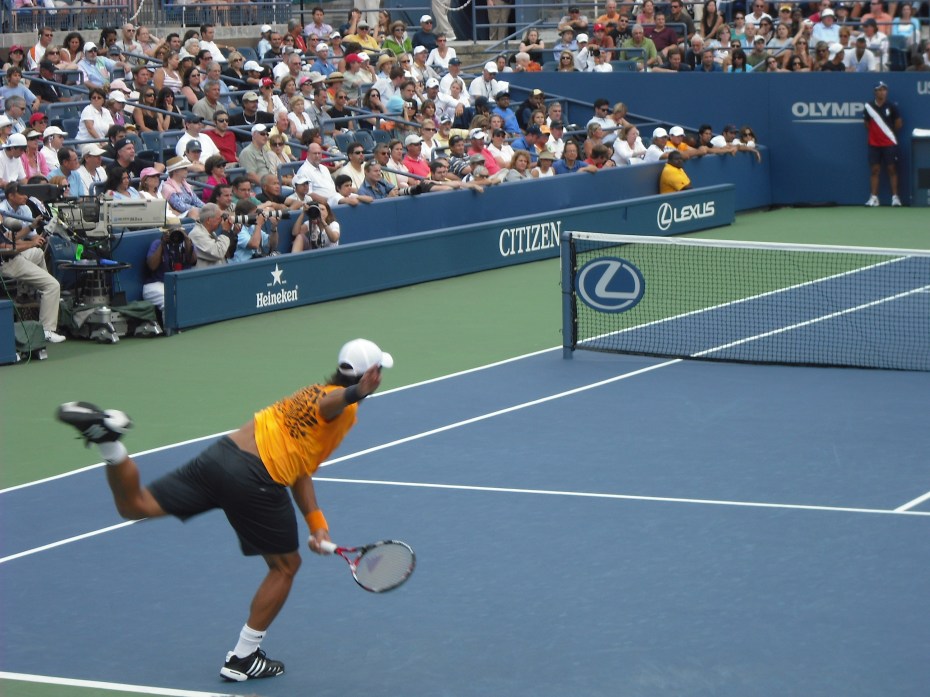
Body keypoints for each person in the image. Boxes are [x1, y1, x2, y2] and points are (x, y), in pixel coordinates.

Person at [56, 340, 393, 683]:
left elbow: (302, 470)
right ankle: (243, 657)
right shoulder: (341, 405)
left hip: (221, 457)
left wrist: (316, 523)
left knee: (134, 505)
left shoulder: (310, 391)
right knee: (285, 567)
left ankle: (109, 444)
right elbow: (331, 405)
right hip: (256, 478)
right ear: (371, 374)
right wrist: (355, 393)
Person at [0, 182, 65, 343]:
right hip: (8, 263)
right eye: (21, 193)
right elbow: (7, 248)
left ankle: (38, 295)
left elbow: (9, 238)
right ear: (10, 196)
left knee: (37, 253)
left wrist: (31, 227)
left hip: (12, 257)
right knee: (53, 285)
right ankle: (47, 330)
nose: (25, 196)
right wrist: (30, 243)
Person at [142, 218, 196, 310]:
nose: (175, 236)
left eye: (177, 232)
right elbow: (152, 266)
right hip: (158, 284)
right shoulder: (157, 244)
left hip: (180, 284)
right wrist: (162, 244)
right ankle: (170, 324)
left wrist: (186, 239)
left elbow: (193, 261)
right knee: (170, 302)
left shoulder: (186, 243)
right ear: (164, 233)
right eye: (171, 232)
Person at [864, 81, 902, 207]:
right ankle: (874, 198)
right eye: (879, 90)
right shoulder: (868, 106)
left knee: (892, 169)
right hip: (874, 144)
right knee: (875, 170)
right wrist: (876, 135)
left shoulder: (891, 106)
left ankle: (895, 198)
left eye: (884, 89)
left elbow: (898, 124)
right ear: (875, 92)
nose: (882, 92)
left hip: (889, 143)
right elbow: (866, 124)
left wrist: (887, 134)